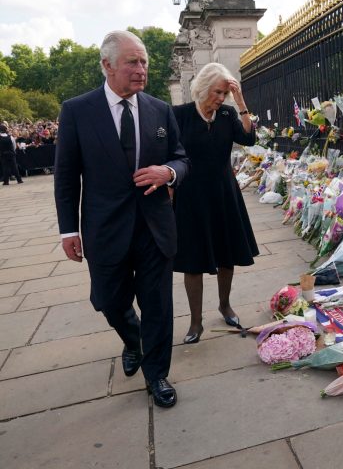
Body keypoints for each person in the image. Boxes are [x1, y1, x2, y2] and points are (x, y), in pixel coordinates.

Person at [54, 30, 189, 408]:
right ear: (107, 65)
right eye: (132, 61)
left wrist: (169, 172)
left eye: (144, 61)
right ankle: (134, 341)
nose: (141, 69)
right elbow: (66, 176)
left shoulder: (159, 109)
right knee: (109, 300)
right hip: (104, 229)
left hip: (155, 227)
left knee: (158, 305)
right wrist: (68, 229)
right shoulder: (78, 110)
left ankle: (157, 373)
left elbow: (182, 157)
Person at [172, 62, 259, 344]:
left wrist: (241, 101)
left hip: (224, 192)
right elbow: (167, 154)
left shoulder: (227, 114)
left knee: (227, 253)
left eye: (224, 93)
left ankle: (225, 305)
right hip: (191, 195)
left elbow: (248, 137)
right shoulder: (179, 115)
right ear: (203, 87)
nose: (220, 98)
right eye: (217, 92)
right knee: (192, 261)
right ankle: (195, 322)